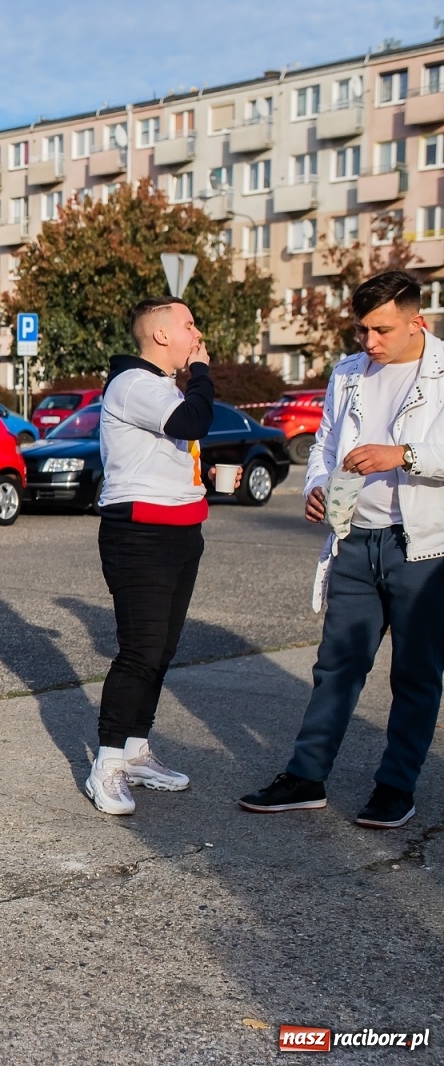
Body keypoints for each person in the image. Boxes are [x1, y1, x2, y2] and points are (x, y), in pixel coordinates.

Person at [240, 271, 444, 829]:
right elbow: (325, 447)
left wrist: (401, 455)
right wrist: (314, 490)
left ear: (415, 322)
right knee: (336, 666)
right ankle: (306, 777)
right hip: (354, 540)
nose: (370, 342)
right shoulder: (348, 374)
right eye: (361, 330)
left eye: (382, 329)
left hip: (424, 548)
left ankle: (395, 786)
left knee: (415, 674)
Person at [85, 296, 214, 816]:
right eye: (189, 325)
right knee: (139, 652)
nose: (196, 334)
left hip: (182, 532)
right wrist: (203, 370)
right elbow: (193, 422)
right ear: (161, 335)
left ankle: (137, 749)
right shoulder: (135, 384)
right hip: (140, 535)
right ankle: (107, 764)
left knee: (161, 651)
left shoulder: (160, 385)